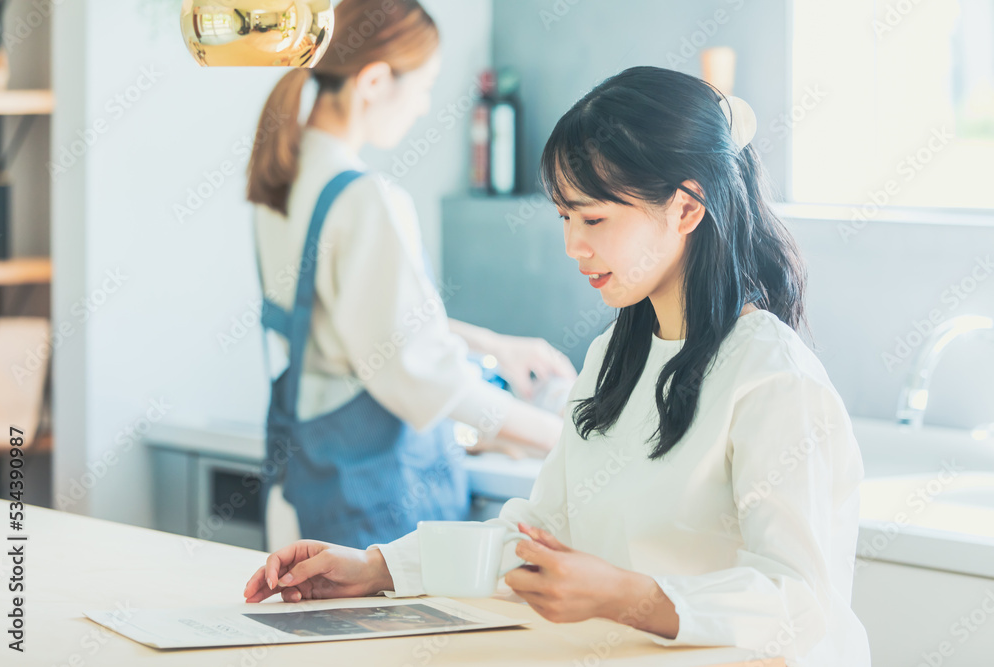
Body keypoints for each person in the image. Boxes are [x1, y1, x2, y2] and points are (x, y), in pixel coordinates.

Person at [242, 65, 871, 667]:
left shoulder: (772, 378)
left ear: (685, 208)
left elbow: (803, 603)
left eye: (594, 218)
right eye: (566, 216)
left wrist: (631, 598)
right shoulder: (612, 357)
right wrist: (377, 568)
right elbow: (540, 530)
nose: (573, 244)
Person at [246, 0, 575, 551]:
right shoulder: (365, 197)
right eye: (423, 87)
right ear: (373, 80)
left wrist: (493, 345)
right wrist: (564, 441)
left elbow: (360, 322)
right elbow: (427, 377)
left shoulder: (285, 174)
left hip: (301, 484)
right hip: (368, 500)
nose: (424, 106)